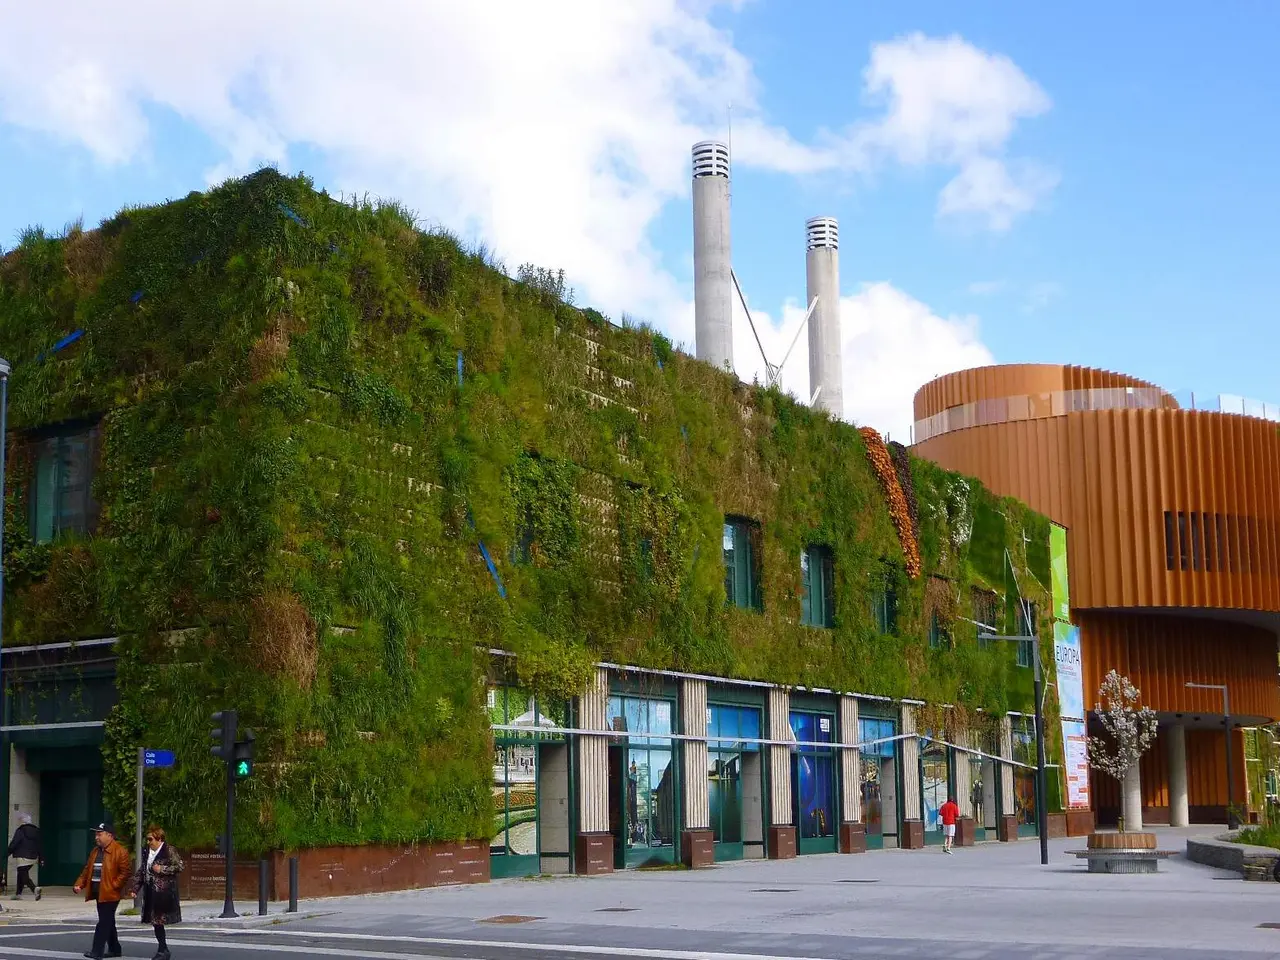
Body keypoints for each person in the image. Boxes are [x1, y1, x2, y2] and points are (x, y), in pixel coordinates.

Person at [73, 821, 132, 960]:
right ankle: (115, 949)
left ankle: (97, 951)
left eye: (99, 834)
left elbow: (125, 873)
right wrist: (79, 884)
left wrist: (113, 886)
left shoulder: (120, 851)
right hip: (98, 892)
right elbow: (87, 870)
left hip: (110, 893)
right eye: (96, 834)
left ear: (109, 835)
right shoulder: (95, 851)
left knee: (103, 922)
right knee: (108, 921)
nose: (96, 837)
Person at [134, 825, 183, 960]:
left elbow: (179, 866)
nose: (148, 842)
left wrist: (162, 869)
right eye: (147, 840)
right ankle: (163, 949)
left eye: (151, 839)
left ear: (159, 839)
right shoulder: (147, 852)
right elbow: (142, 870)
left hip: (164, 892)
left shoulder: (169, 850)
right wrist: (135, 888)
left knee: (158, 920)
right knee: (155, 922)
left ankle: (163, 950)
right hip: (151, 891)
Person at [7, 813, 42, 901]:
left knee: (23, 874)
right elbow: (40, 845)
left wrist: (7, 852)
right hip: (33, 856)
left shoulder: (20, 830)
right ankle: (18, 894)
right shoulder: (36, 830)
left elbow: (15, 843)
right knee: (21, 873)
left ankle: (34, 888)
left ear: (22, 821)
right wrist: (41, 857)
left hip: (22, 856)